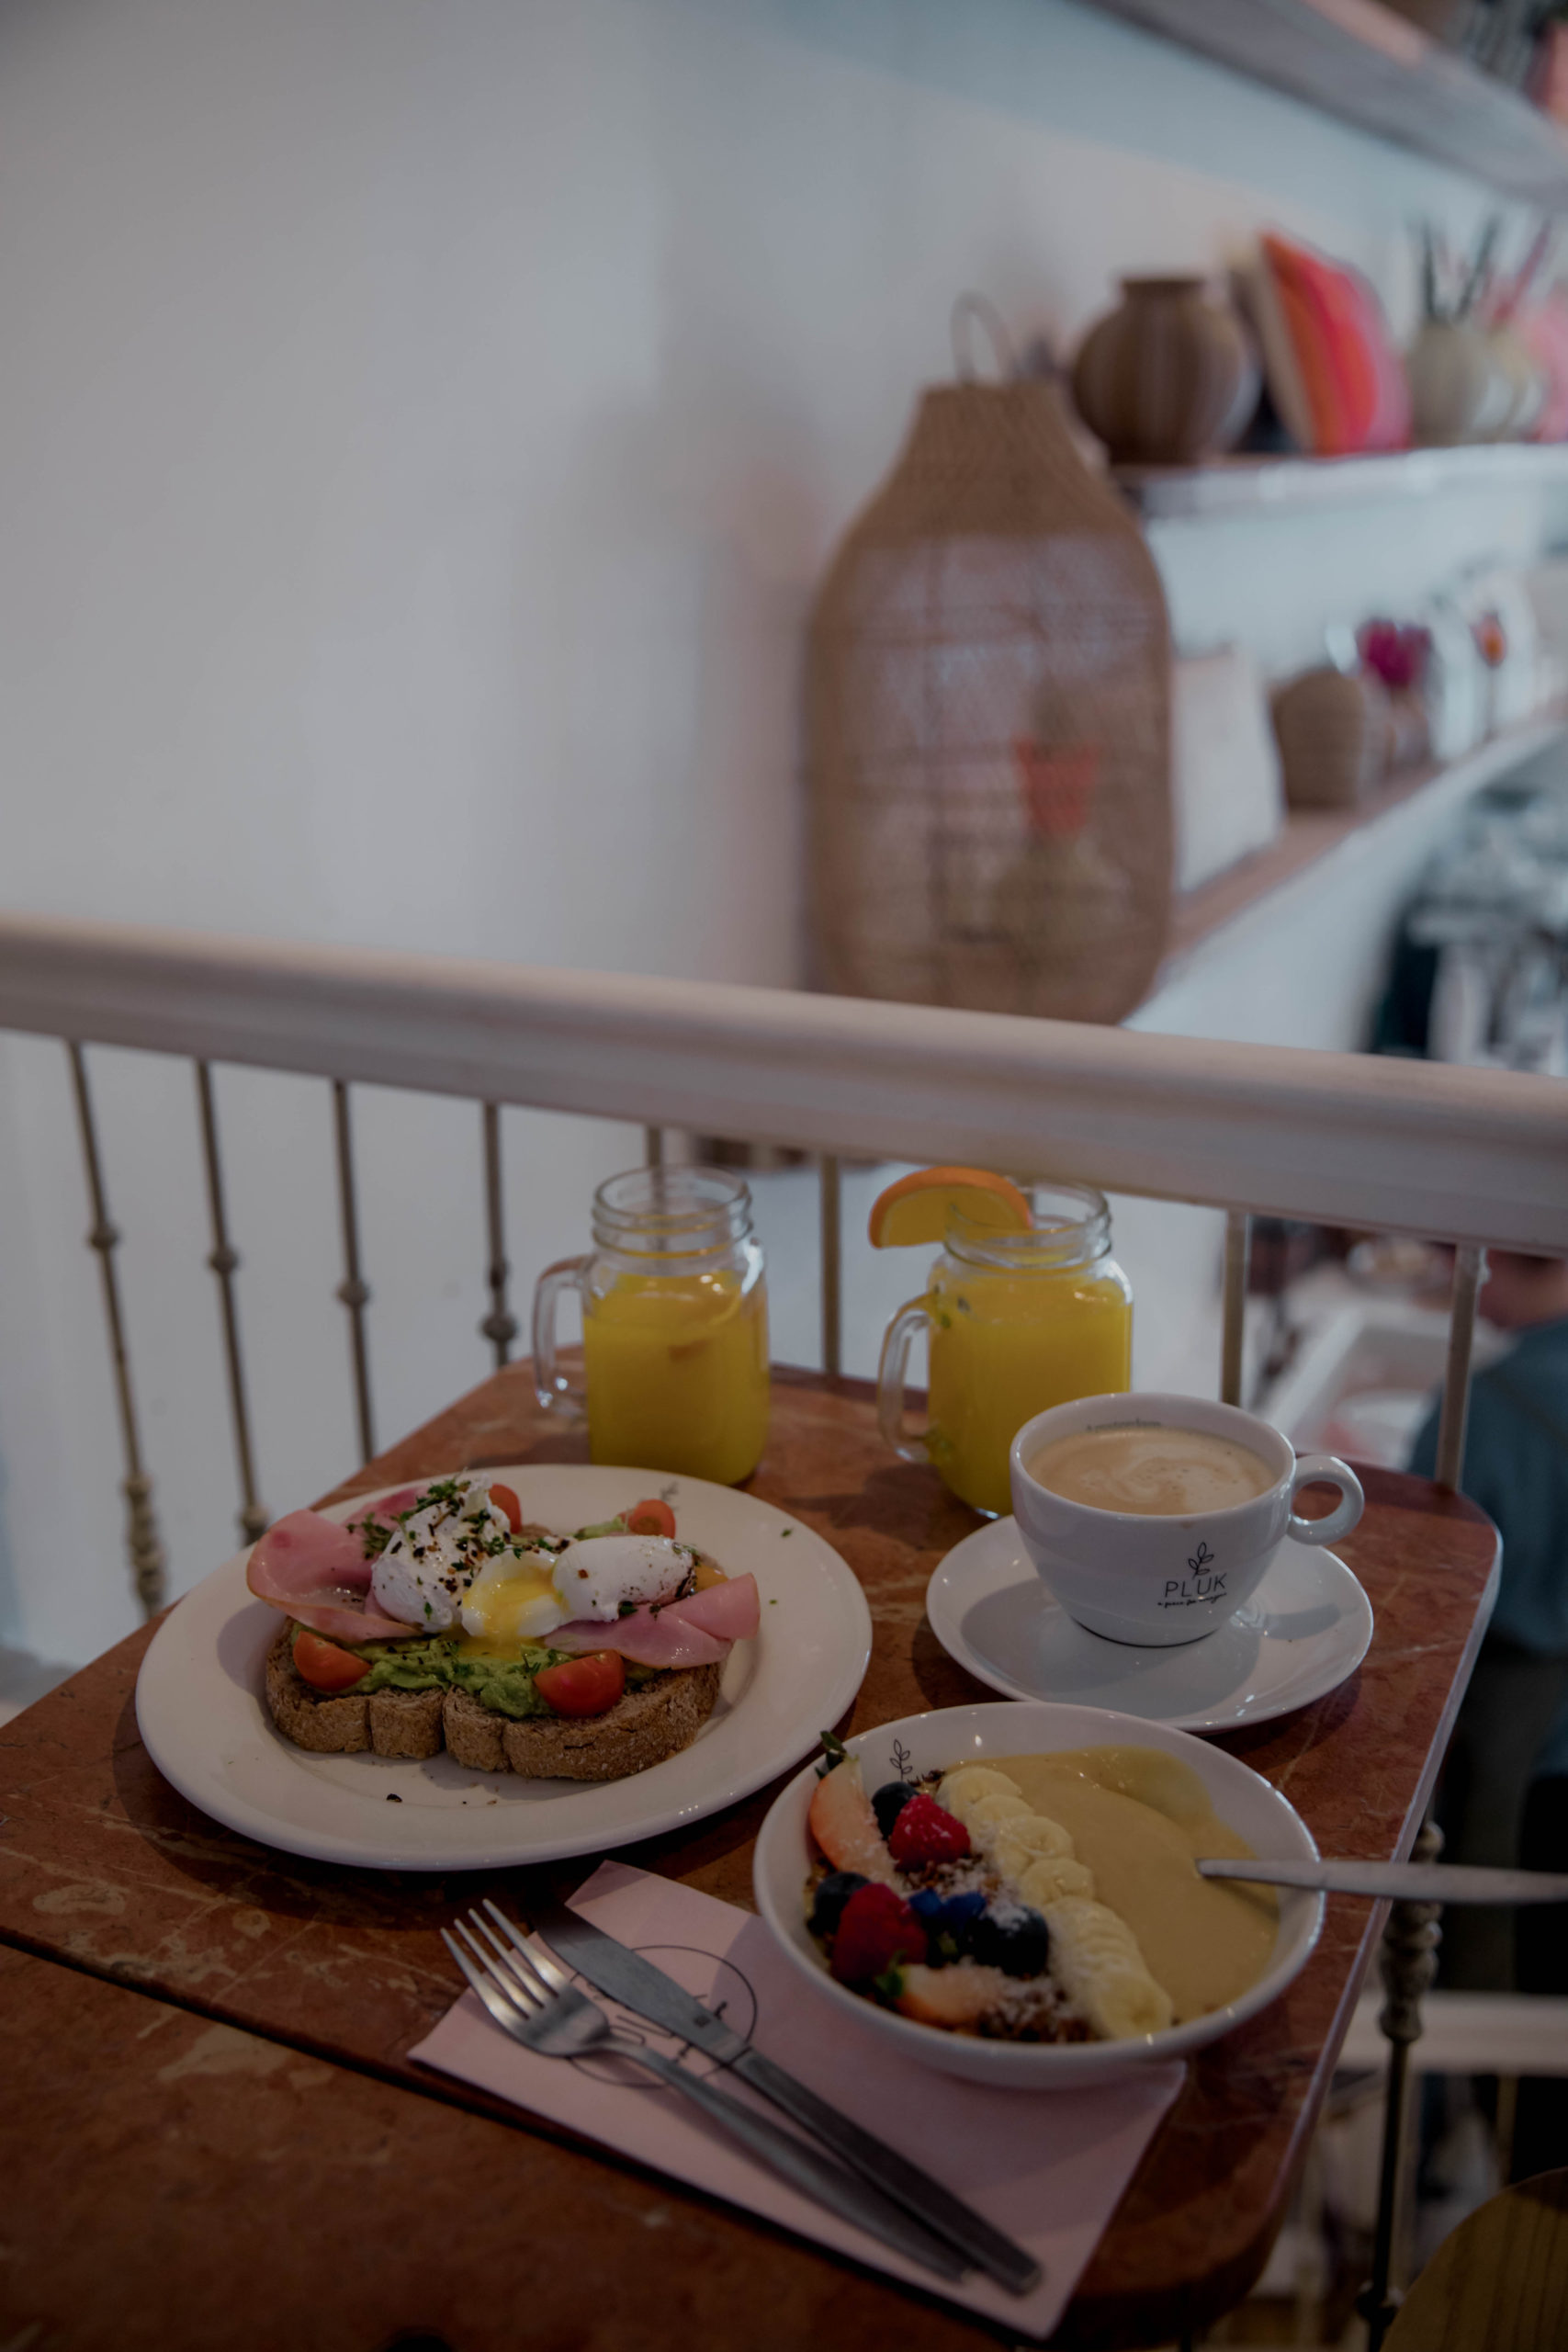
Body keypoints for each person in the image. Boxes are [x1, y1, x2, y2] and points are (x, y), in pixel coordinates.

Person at [1407, 1250, 1568, 1992]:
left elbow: (1419, 1583)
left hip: (1508, 1702)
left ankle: (1457, 2057)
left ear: (1496, 1254)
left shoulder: (1484, 1409)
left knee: (1476, 1910)